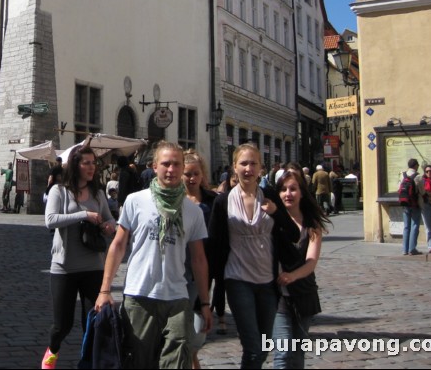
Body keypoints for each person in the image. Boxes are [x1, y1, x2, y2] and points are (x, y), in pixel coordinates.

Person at [95, 141, 212, 369]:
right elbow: (118, 245)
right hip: (140, 296)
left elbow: (198, 259)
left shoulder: (193, 211)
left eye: (176, 164)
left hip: (177, 297)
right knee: (140, 362)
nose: (171, 169)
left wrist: (205, 302)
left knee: (177, 361)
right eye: (166, 164)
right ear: (155, 166)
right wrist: (105, 290)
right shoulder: (136, 201)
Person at [209, 143, 300, 369]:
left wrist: (276, 213)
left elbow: (293, 234)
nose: (248, 168)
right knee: (253, 346)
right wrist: (209, 289)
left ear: (261, 167)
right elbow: (214, 244)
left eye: (253, 163)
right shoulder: (223, 202)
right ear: (234, 167)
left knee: (264, 344)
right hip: (237, 278)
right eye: (243, 163)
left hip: (268, 282)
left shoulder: (269, 196)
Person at [41, 146, 116, 370]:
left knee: (92, 321)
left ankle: (88, 362)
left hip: (93, 265)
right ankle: (52, 353)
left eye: (94, 163)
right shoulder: (59, 191)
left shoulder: (98, 193)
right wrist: (83, 215)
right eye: (86, 163)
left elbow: (111, 219)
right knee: (61, 325)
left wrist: (108, 226)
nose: (92, 167)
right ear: (76, 165)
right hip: (64, 267)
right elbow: (50, 220)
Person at [272, 166, 331, 369]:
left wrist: (292, 275)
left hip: (304, 293)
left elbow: (311, 261)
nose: (288, 194)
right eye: (283, 189)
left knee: (297, 354)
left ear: (302, 192)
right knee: (282, 352)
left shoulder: (311, 224)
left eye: (293, 189)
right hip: (278, 296)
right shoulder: (270, 221)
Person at [182, 149, 218, 369]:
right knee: (183, 325)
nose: (192, 178)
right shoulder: (175, 200)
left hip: (205, 268)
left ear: (203, 174)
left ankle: (191, 356)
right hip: (180, 269)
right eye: (187, 174)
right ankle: (191, 361)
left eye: (196, 173)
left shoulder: (214, 201)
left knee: (198, 329)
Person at [401, 158, 424, 256]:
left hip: (405, 204)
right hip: (415, 204)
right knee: (414, 226)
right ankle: (412, 249)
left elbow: (399, 187)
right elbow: (422, 191)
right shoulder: (418, 176)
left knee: (406, 227)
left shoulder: (403, 174)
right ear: (416, 166)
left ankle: (404, 250)